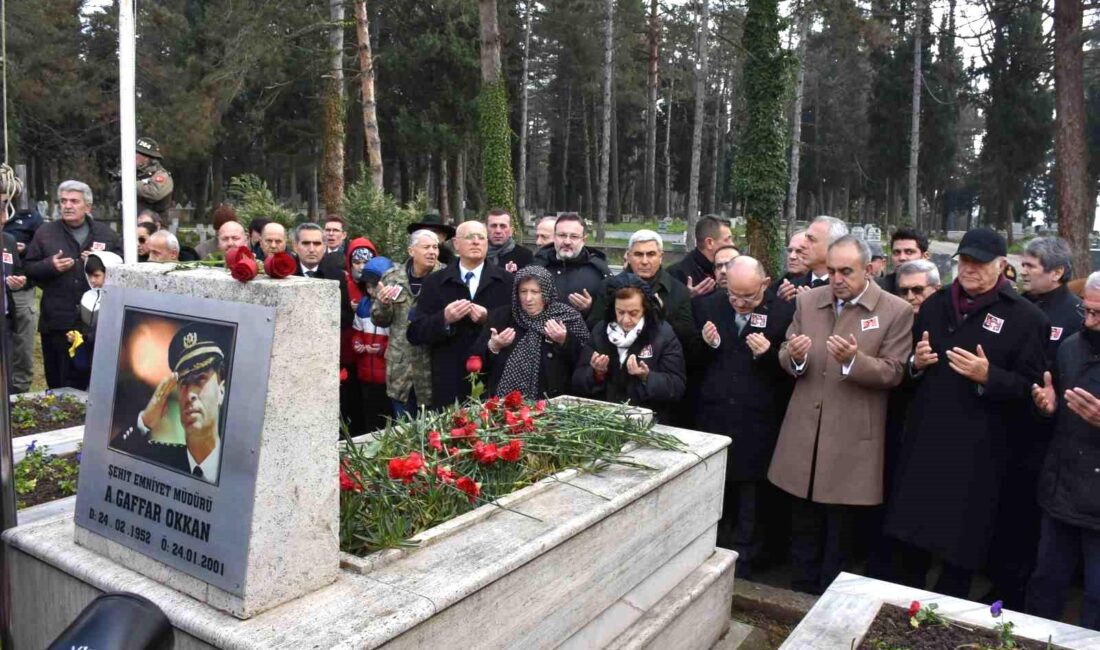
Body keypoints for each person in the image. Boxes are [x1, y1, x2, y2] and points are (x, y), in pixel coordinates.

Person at [885, 227, 1049, 600]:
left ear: (1002, 266)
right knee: (910, 543)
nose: (970, 269)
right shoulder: (934, 305)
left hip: (978, 451)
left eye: (980, 262)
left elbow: (1032, 388)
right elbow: (908, 370)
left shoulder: (1025, 318)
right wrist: (916, 363)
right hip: (926, 442)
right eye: (965, 260)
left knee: (959, 548)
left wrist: (990, 376)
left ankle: (946, 616)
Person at [769, 234, 913, 594]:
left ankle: (829, 595)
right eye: (831, 270)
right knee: (803, 520)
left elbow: (894, 372)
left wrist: (854, 362)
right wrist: (796, 356)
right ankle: (798, 591)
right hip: (805, 431)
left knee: (839, 528)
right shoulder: (808, 302)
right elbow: (787, 353)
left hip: (852, 437)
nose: (837, 279)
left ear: (869, 269)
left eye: (846, 271)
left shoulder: (895, 311)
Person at [695, 256, 794, 576]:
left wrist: (767, 354)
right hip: (716, 414)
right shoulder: (710, 307)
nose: (739, 303)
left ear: (765, 285)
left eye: (748, 297)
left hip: (758, 419)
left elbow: (791, 375)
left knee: (752, 494)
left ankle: (747, 559)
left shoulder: (782, 314)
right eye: (733, 295)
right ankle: (713, 550)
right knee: (717, 490)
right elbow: (691, 364)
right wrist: (706, 345)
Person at [1026, 270, 1100, 630]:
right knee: (1045, 583)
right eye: (1086, 311)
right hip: (1062, 489)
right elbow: (1054, 403)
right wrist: (1047, 405)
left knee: (1096, 597)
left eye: (1098, 315)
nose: (1089, 321)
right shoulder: (1071, 347)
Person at [25, 181, 122, 390]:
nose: (67, 206)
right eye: (63, 201)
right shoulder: (45, 233)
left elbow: (122, 269)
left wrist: (102, 262)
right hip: (57, 322)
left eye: (74, 201)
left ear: (88, 207)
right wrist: (50, 265)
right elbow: (29, 269)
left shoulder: (106, 235)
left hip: (96, 324)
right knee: (59, 383)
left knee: (96, 383)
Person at [408, 221, 513, 409]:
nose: (476, 242)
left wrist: (488, 319)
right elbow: (415, 333)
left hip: (493, 378)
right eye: (469, 237)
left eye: (481, 238)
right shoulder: (435, 282)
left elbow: (517, 327)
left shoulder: (507, 281)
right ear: (456, 244)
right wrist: (444, 319)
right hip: (448, 378)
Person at [113, 322, 230, 484]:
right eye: (183, 383)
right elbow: (111, 461)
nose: (190, 394)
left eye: (200, 380)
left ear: (221, 391)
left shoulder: (234, 469)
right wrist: (145, 421)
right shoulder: (165, 458)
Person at [573, 275, 686, 422]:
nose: (625, 320)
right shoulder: (600, 331)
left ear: (645, 309)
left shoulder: (662, 334)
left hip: (647, 421)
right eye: (620, 312)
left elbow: (676, 386)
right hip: (603, 419)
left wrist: (646, 377)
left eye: (633, 313)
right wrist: (596, 373)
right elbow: (577, 381)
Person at [475, 266, 590, 400]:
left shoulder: (567, 317)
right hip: (503, 405)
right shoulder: (502, 317)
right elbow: (475, 359)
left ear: (547, 293)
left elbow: (584, 360)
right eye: (523, 291)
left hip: (551, 403)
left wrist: (565, 340)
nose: (528, 298)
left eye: (535, 292)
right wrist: (493, 347)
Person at [373, 229, 444, 416]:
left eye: (435, 247)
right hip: (401, 371)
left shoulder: (444, 277)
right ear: (411, 251)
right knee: (403, 433)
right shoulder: (392, 277)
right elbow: (379, 320)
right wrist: (383, 303)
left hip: (431, 370)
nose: (432, 252)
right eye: (426, 247)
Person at [531, 213, 611, 318]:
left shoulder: (599, 271)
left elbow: (610, 312)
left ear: (584, 240)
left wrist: (590, 308)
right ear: (554, 237)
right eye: (562, 235)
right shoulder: (537, 267)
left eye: (574, 236)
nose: (567, 242)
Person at [0, 188, 39, 393]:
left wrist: (17, 281)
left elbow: (15, 272)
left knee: (6, 377)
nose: (5, 218)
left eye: (6, 210)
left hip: (5, 321)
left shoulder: (8, 241)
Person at [352, 256, 394, 433]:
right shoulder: (363, 305)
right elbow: (356, 330)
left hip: (387, 373)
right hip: (366, 372)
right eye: (368, 287)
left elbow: (397, 338)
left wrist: (384, 349)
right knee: (370, 413)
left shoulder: (393, 306)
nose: (371, 291)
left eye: (375, 286)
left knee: (388, 415)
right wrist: (357, 343)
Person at [69, 251, 123, 380]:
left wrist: (86, 337)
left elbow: (110, 330)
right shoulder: (87, 296)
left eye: (97, 275)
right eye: (89, 275)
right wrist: (74, 333)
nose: (92, 280)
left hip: (106, 357)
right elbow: (78, 320)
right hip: (86, 354)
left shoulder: (118, 299)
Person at [776, 216, 847, 301]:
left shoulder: (847, 290)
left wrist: (813, 306)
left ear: (834, 246)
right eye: (806, 238)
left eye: (811, 239)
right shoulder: (791, 288)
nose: (803, 245)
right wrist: (779, 301)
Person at [668, 215, 734, 298]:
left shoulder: (734, 267)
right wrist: (686, 298)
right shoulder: (675, 275)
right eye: (727, 239)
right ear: (709, 243)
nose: (732, 244)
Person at [878, 227, 930, 294]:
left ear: (925, 256)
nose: (902, 258)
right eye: (896, 252)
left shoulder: (936, 292)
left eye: (909, 252)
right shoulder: (878, 290)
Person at [135, 136, 174, 219]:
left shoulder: (161, 175)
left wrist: (129, 184)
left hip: (154, 227)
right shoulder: (135, 174)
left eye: (137, 153)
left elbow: (154, 193)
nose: (133, 156)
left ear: (146, 158)